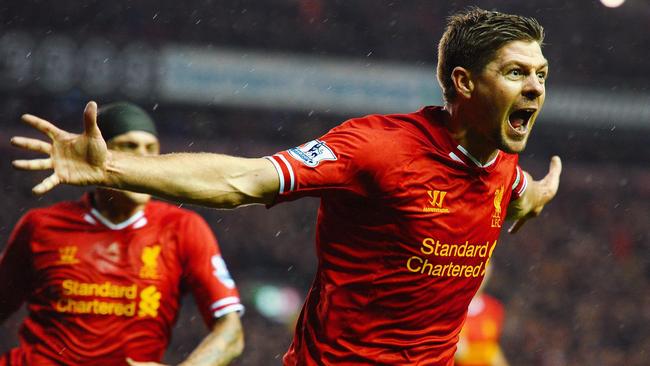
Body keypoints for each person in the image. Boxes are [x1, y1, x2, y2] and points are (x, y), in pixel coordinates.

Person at [11, 8, 561, 365]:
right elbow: (242, 179)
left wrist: (535, 198)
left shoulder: (502, 168)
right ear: (464, 83)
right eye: (517, 73)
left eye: (541, 74)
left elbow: (518, 194)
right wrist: (110, 168)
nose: (535, 87)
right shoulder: (378, 147)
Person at [1, 102, 244, 366]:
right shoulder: (41, 226)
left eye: (151, 149)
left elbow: (231, 333)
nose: (143, 159)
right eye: (129, 146)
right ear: (95, 154)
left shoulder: (183, 229)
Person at [455, 266, 509, 366]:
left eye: (484, 271)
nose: (480, 276)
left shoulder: (495, 309)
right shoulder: (450, 307)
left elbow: (495, 352)